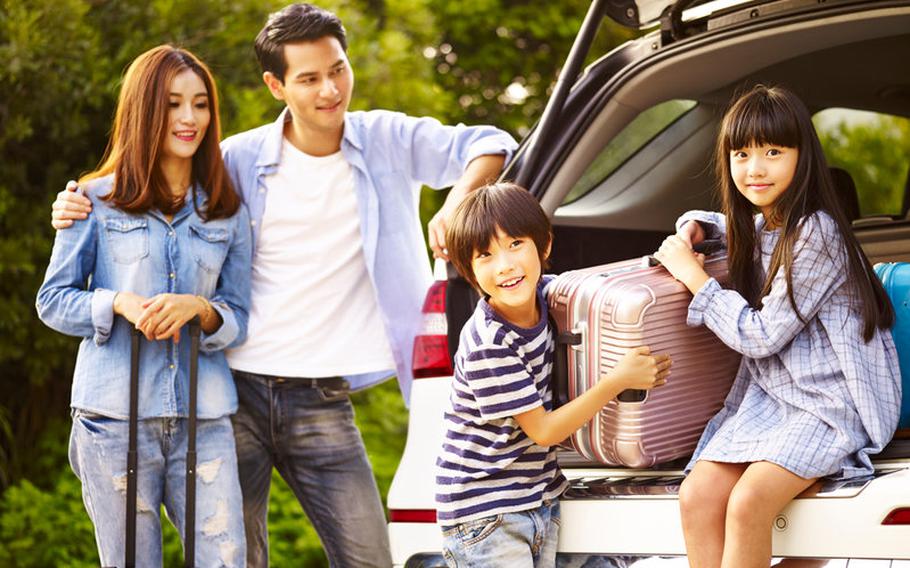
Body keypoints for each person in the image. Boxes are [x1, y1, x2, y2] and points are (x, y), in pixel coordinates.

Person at [50, 4, 516, 566]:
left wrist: (460, 201)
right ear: (276, 85)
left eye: (338, 69)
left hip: (321, 396)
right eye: (310, 78)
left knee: (370, 555)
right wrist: (74, 203)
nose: (330, 89)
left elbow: (491, 141)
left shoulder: (387, 139)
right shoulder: (235, 160)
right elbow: (155, 199)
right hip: (231, 392)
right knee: (236, 557)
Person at [653, 85, 901, 568]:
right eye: (741, 154)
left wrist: (695, 277)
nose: (755, 169)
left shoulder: (818, 232)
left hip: (831, 400)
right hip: (774, 399)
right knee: (698, 496)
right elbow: (726, 221)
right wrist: (693, 227)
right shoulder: (765, 223)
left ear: (802, 156)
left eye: (773, 152)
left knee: (748, 504)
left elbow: (760, 336)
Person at [36, 45, 251, 566]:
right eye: (173, 103)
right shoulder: (93, 199)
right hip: (112, 420)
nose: (188, 118)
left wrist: (200, 309)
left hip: (206, 417)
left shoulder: (226, 209)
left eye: (200, 105)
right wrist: (119, 303)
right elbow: (52, 300)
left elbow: (238, 314)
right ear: (144, 109)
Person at [437, 183, 672, 567]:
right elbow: (543, 431)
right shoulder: (489, 342)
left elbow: (605, 290)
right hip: (486, 511)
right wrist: (617, 380)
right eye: (485, 255)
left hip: (538, 494)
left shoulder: (551, 294)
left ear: (544, 246)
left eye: (515, 244)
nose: (505, 265)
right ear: (469, 271)